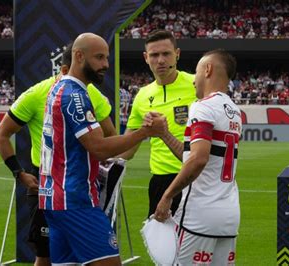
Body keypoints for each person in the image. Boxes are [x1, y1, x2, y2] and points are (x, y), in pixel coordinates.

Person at [39, 33, 163, 266]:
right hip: (76, 201)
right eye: (99, 57)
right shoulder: (75, 96)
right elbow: (99, 147)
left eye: (106, 57)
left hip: (54, 200)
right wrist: (145, 132)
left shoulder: (57, 89)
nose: (105, 64)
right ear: (78, 56)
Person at [0, 43, 115, 266]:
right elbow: (1, 134)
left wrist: (100, 154)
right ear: (68, 65)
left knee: (84, 258)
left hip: (81, 185)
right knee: (46, 257)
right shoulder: (36, 93)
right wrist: (18, 173)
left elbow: (111, 135)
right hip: (45, 182)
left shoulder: (91, 93)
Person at [153, 49, 241, 265]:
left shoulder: (203, 106)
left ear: (208, 69)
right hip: (228, 215)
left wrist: (167, 195)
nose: (194, 80)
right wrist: (164, 133)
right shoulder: (234, 110)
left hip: (200, 214)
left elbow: (199, 159)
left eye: (197, 71)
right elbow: (195, 156)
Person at [120, 30, 196, 217]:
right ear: (146, 58)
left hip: (195, 178)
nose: (160, 60)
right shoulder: (142, 96)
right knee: (160, 245)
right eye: (154, 55)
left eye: (166, 54)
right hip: (160, 181)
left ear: (177, 54)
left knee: (194, 246)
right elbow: (127, 151)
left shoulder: (197, 84)